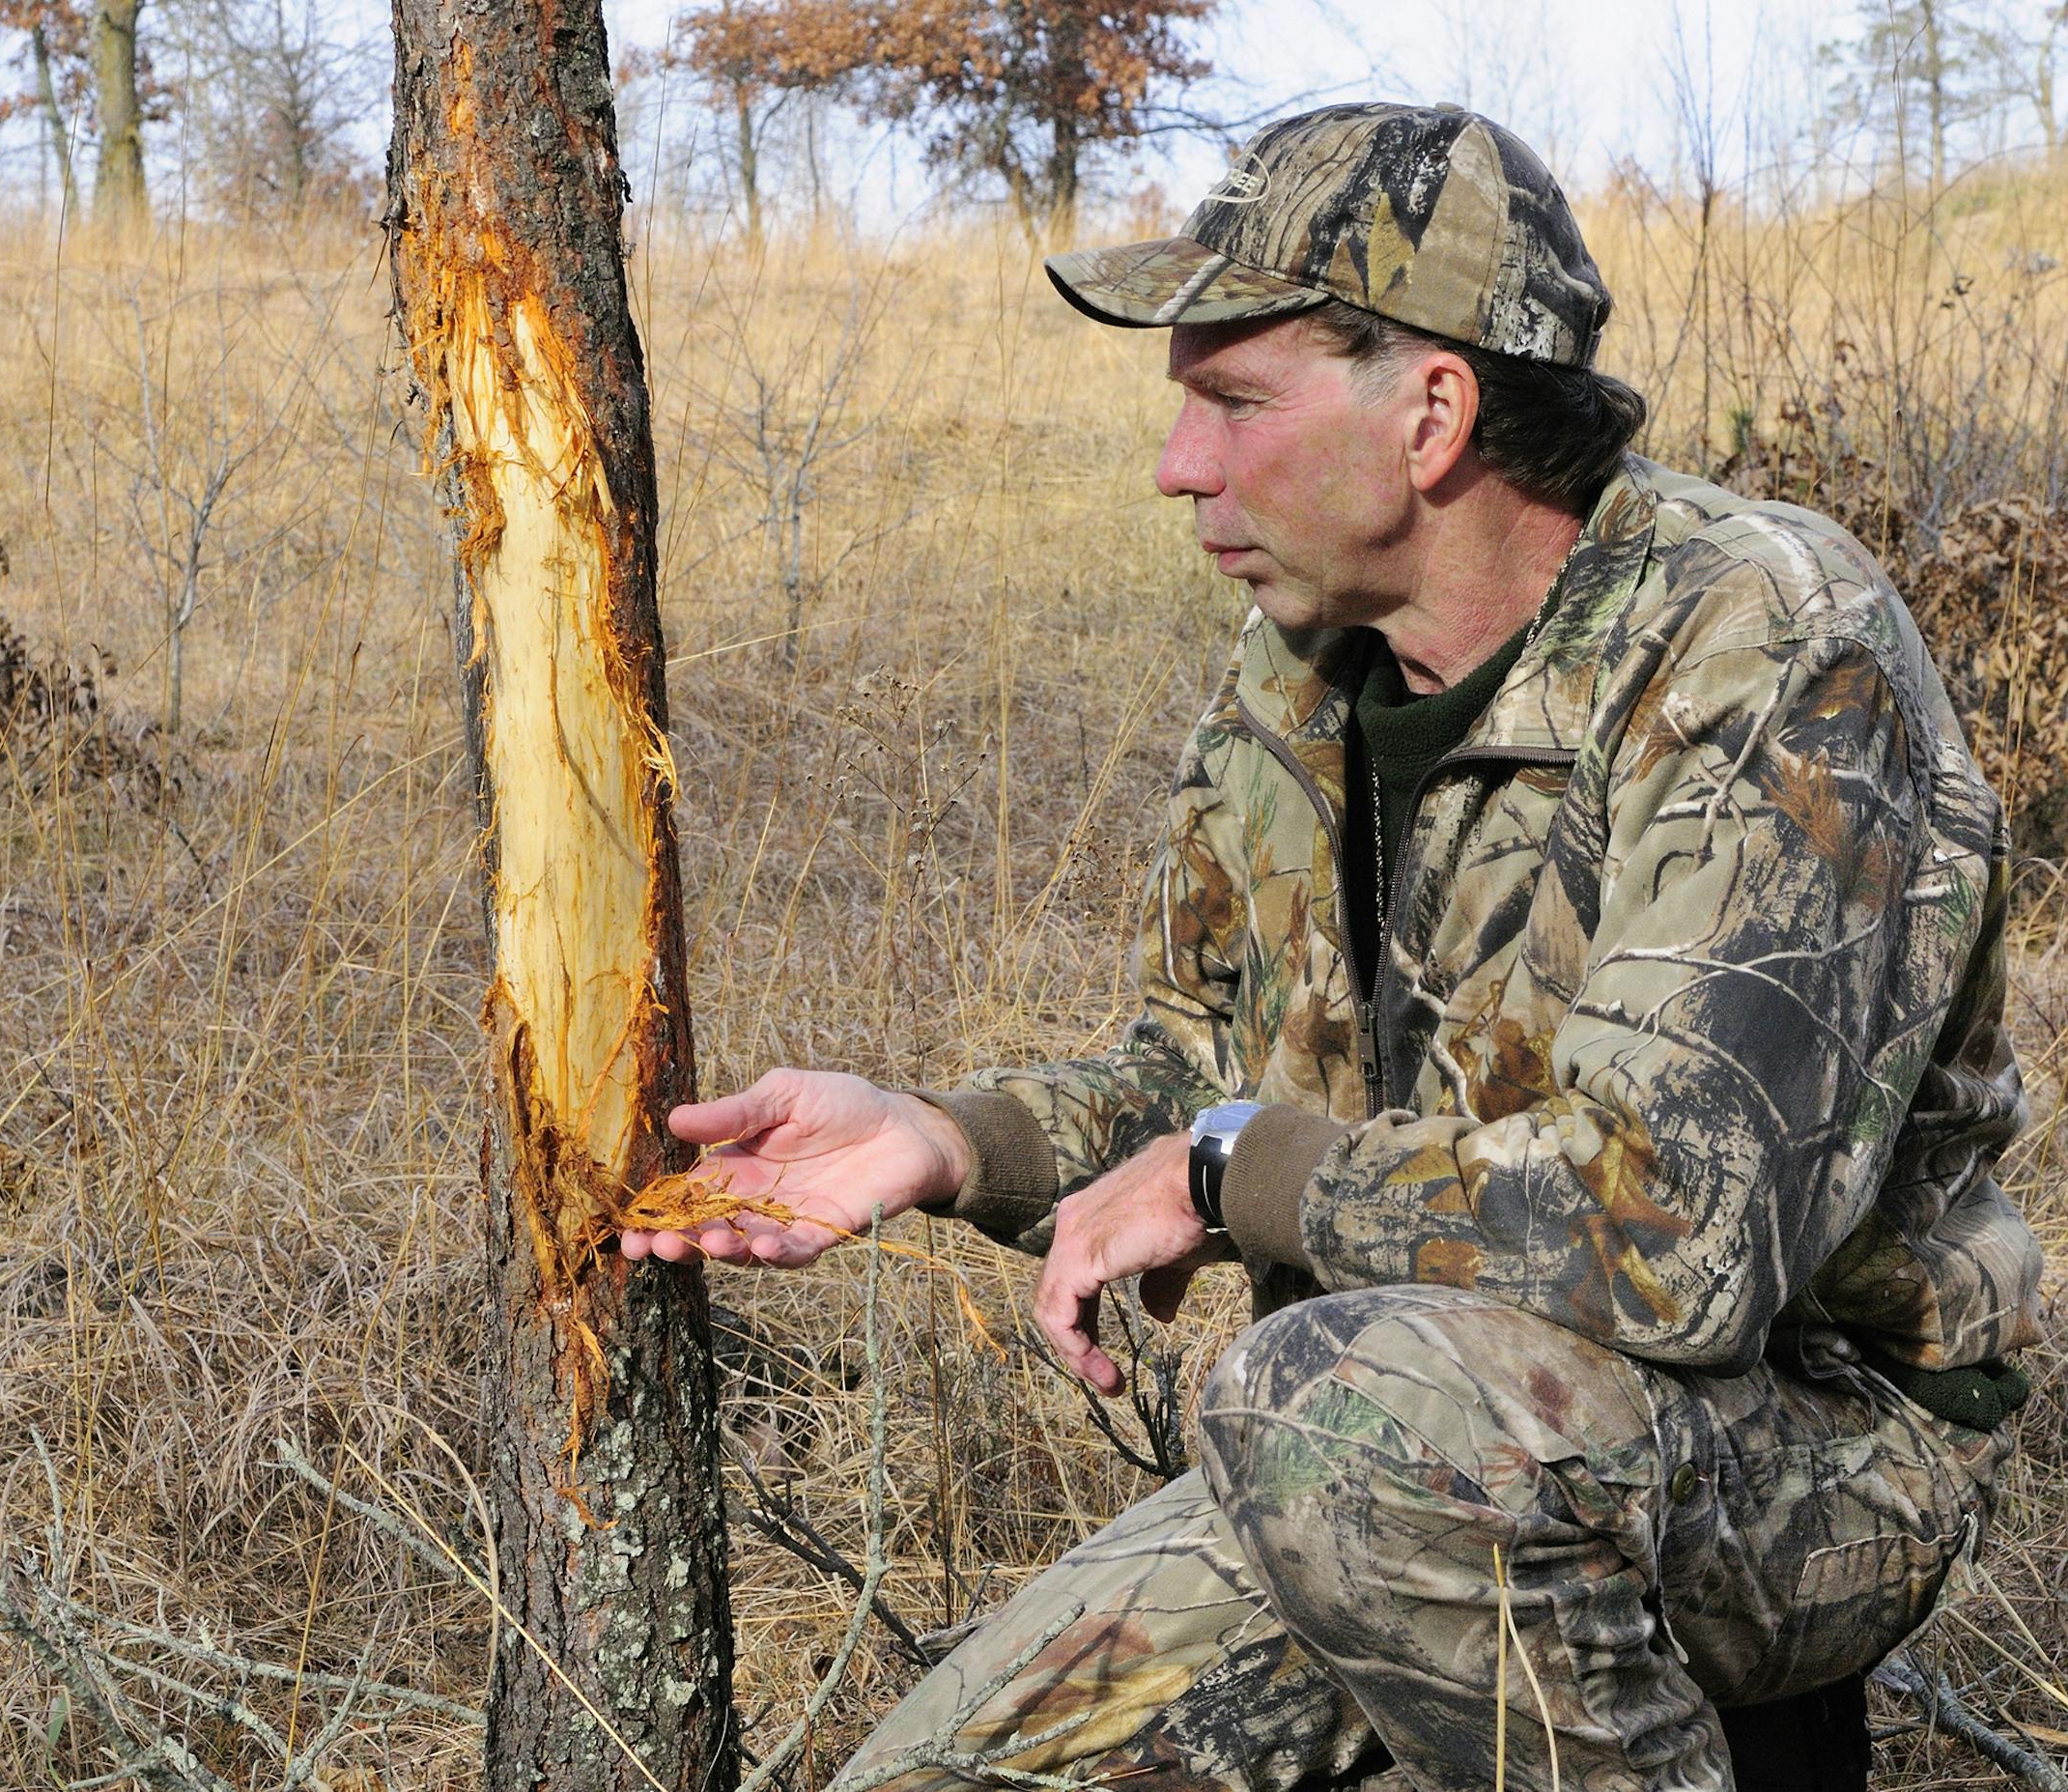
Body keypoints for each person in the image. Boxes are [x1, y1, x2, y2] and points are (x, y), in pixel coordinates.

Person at [621, 103, 2046, 1792]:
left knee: (1320, 1402)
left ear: (1433, 412)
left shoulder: (1767, 644)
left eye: (1233, 400)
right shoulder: (1299, 664)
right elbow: (1201, 1073)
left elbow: (1681, 1238)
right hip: (1390, 1443)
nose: (1179, 463)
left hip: (1811, 1447)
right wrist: (950, 1141)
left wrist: (1236, 1173)